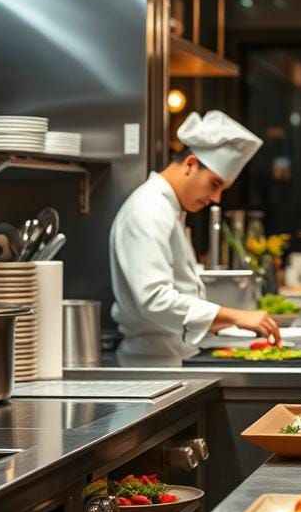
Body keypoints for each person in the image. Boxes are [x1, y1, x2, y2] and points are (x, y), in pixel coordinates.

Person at [110, 110, 281, 363]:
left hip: (171, 357)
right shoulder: (148, 209)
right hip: (151, 362)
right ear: (190, 164)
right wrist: (236, 316)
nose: (216, 198)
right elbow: (154, 299)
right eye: (214, 184)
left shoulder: (168, 209)